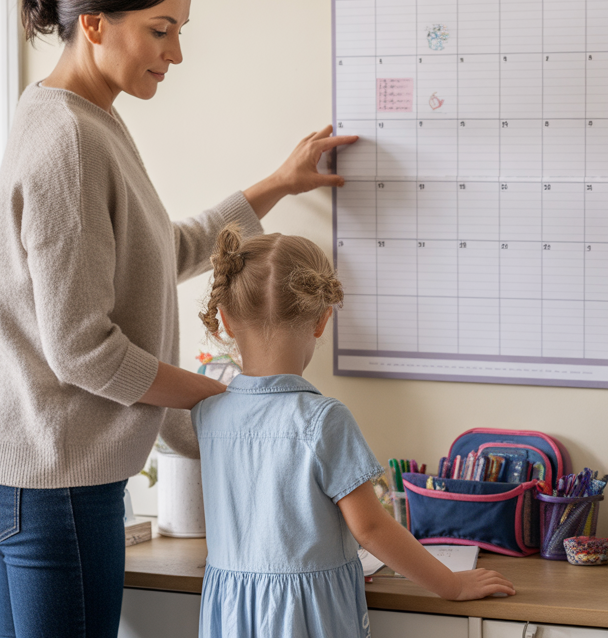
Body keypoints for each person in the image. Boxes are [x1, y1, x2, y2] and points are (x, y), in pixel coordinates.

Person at [0, 0, 356, 637]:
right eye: (161, 31)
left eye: (180, 30)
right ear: (94, 23)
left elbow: (157, 252)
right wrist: (229, 400)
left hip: (36, 469)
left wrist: (278, 185)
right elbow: (83, 350)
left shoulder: (83, 113)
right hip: (55, 478)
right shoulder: (71, 140)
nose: (176, 54)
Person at [193, 226, 516, 637]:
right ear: (322, 319)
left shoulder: (208, 412)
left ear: (225, 319)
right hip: (307, 615)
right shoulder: (322, 418)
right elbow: (372, 529)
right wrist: (451, 584)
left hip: (231, 611)